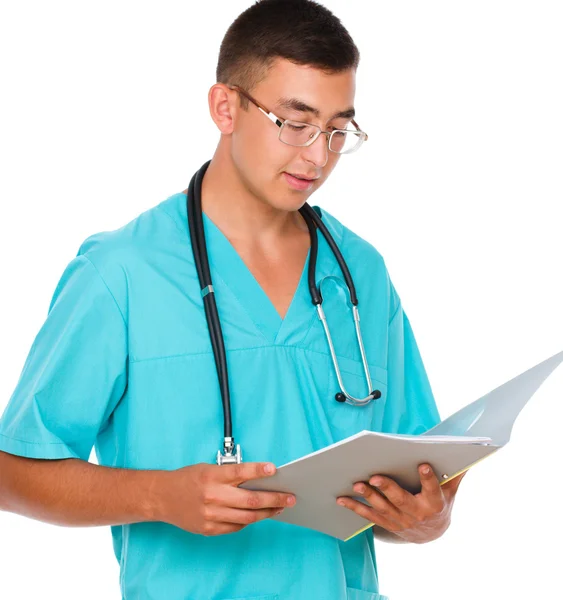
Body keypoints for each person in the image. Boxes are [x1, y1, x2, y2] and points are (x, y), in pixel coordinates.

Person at [0, 1, 466, 598]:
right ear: (225, 107)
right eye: (295, 123)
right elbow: (14, 472)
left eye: (337, 129)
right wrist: (157, 496)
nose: (317, 156)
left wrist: (428, 519)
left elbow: (415, 476)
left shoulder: (359, 276)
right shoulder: (122, 273)